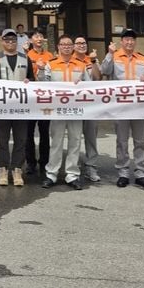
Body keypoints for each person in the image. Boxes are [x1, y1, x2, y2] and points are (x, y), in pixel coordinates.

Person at [41, 34, 97, 190]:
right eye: (63, 44)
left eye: (69, 44)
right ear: (58, 47)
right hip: (57, 110)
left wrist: (82, 84)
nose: (66, 47)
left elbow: (89, 86)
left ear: (73, 47)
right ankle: (51, 174)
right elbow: (43, 85)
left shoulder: (81, 65)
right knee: (56, 142)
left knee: (75, 141)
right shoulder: (51, 64)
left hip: (76, 110)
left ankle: (72, 175)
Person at [100, 28, 144, 189]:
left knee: (140, 141)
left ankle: (141, 173)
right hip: (121, 106)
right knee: (122, 141)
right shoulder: (114, 56)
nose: (129, 42)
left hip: (139, 107)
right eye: (126, 39)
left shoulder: (143, 59)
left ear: (135, 42)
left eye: (132, 39)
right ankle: (123, 172)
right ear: (121, 41)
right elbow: (104, 71)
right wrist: (109, 54)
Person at [0, 29, 35, 187]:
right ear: (2, 41)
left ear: (17, 42)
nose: (10, 43)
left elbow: (32, 78)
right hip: (2, 107)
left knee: (21, 139)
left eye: (13, 40)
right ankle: (2, 169)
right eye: (7, 40)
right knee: (2, 139)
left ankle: (17, 169)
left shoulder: (25, 58)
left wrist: (29, 81)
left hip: (21, 106)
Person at [74, 35, 102, 183]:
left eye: (83, 43)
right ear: (73, 46)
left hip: (91, 105)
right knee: (75, 138)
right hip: (75, 105)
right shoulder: (69, 60)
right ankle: (74, 166)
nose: (81, 45)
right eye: (78, 43)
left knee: (91, 138)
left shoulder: (92, 60)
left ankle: (91, 167)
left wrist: (93, 61)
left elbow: (98, 78)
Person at [25, 28, 53, 176]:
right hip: (30, 98)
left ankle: (44, 162)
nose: (39, 39)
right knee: (28, 132)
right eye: (36, 36)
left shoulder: (50, 56)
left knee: (44, 131)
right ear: (30, 40)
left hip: (44, 98)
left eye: (41, 36)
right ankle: (30, 163)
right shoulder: (26, 55)